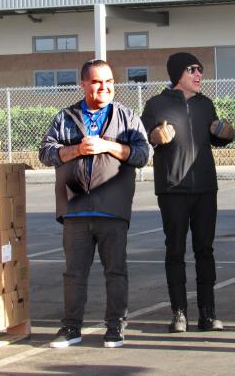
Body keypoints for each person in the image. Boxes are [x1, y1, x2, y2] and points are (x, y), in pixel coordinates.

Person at [39, 59, 152, 348]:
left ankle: (115, 327)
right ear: (83, 84)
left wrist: (109, 146)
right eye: (97, 82)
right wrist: (76, 149)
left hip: (112, 210)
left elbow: (142, 155)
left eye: (110, 82)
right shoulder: (64, 118)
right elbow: (46, 153)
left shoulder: (127, 117)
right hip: (75, 210)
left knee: (116, 271)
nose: (105, 87)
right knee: (74, 273)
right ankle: (71, 328)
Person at [141, 52, 235, 333]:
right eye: (193, 70)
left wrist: (226, 131)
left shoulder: (206, 104)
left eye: (201, 70)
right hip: (173, 189)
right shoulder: (156, 105)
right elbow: (145, 140)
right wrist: (157, 136)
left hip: (206, 188)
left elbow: (220, 138)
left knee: (205, 250)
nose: (199, 75)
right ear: (178, 74)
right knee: (175, 251)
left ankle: (207, 313)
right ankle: (179, 313)